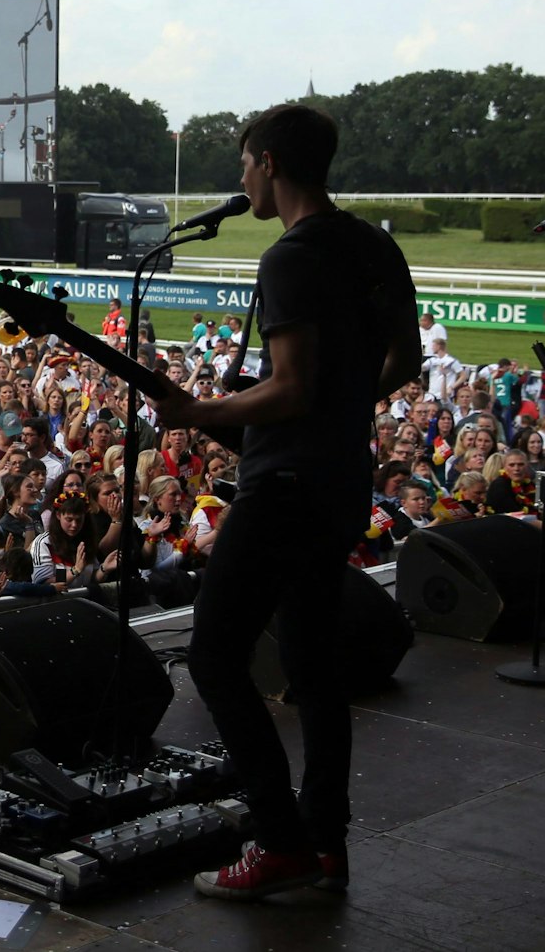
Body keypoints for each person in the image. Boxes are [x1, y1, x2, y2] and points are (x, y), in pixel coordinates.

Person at [151, 104, 418, 900]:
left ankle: (279, 838)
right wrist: (343, 412)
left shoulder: (291, 256)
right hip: (342, 480)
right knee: (312, 665)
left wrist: (199, 412)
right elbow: (403, 362)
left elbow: (291, 387)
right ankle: (325, 843)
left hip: (287, 484)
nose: (240, 180)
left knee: (215, 655)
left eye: (243, 164)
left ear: (269, 162)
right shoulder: (376, 243)